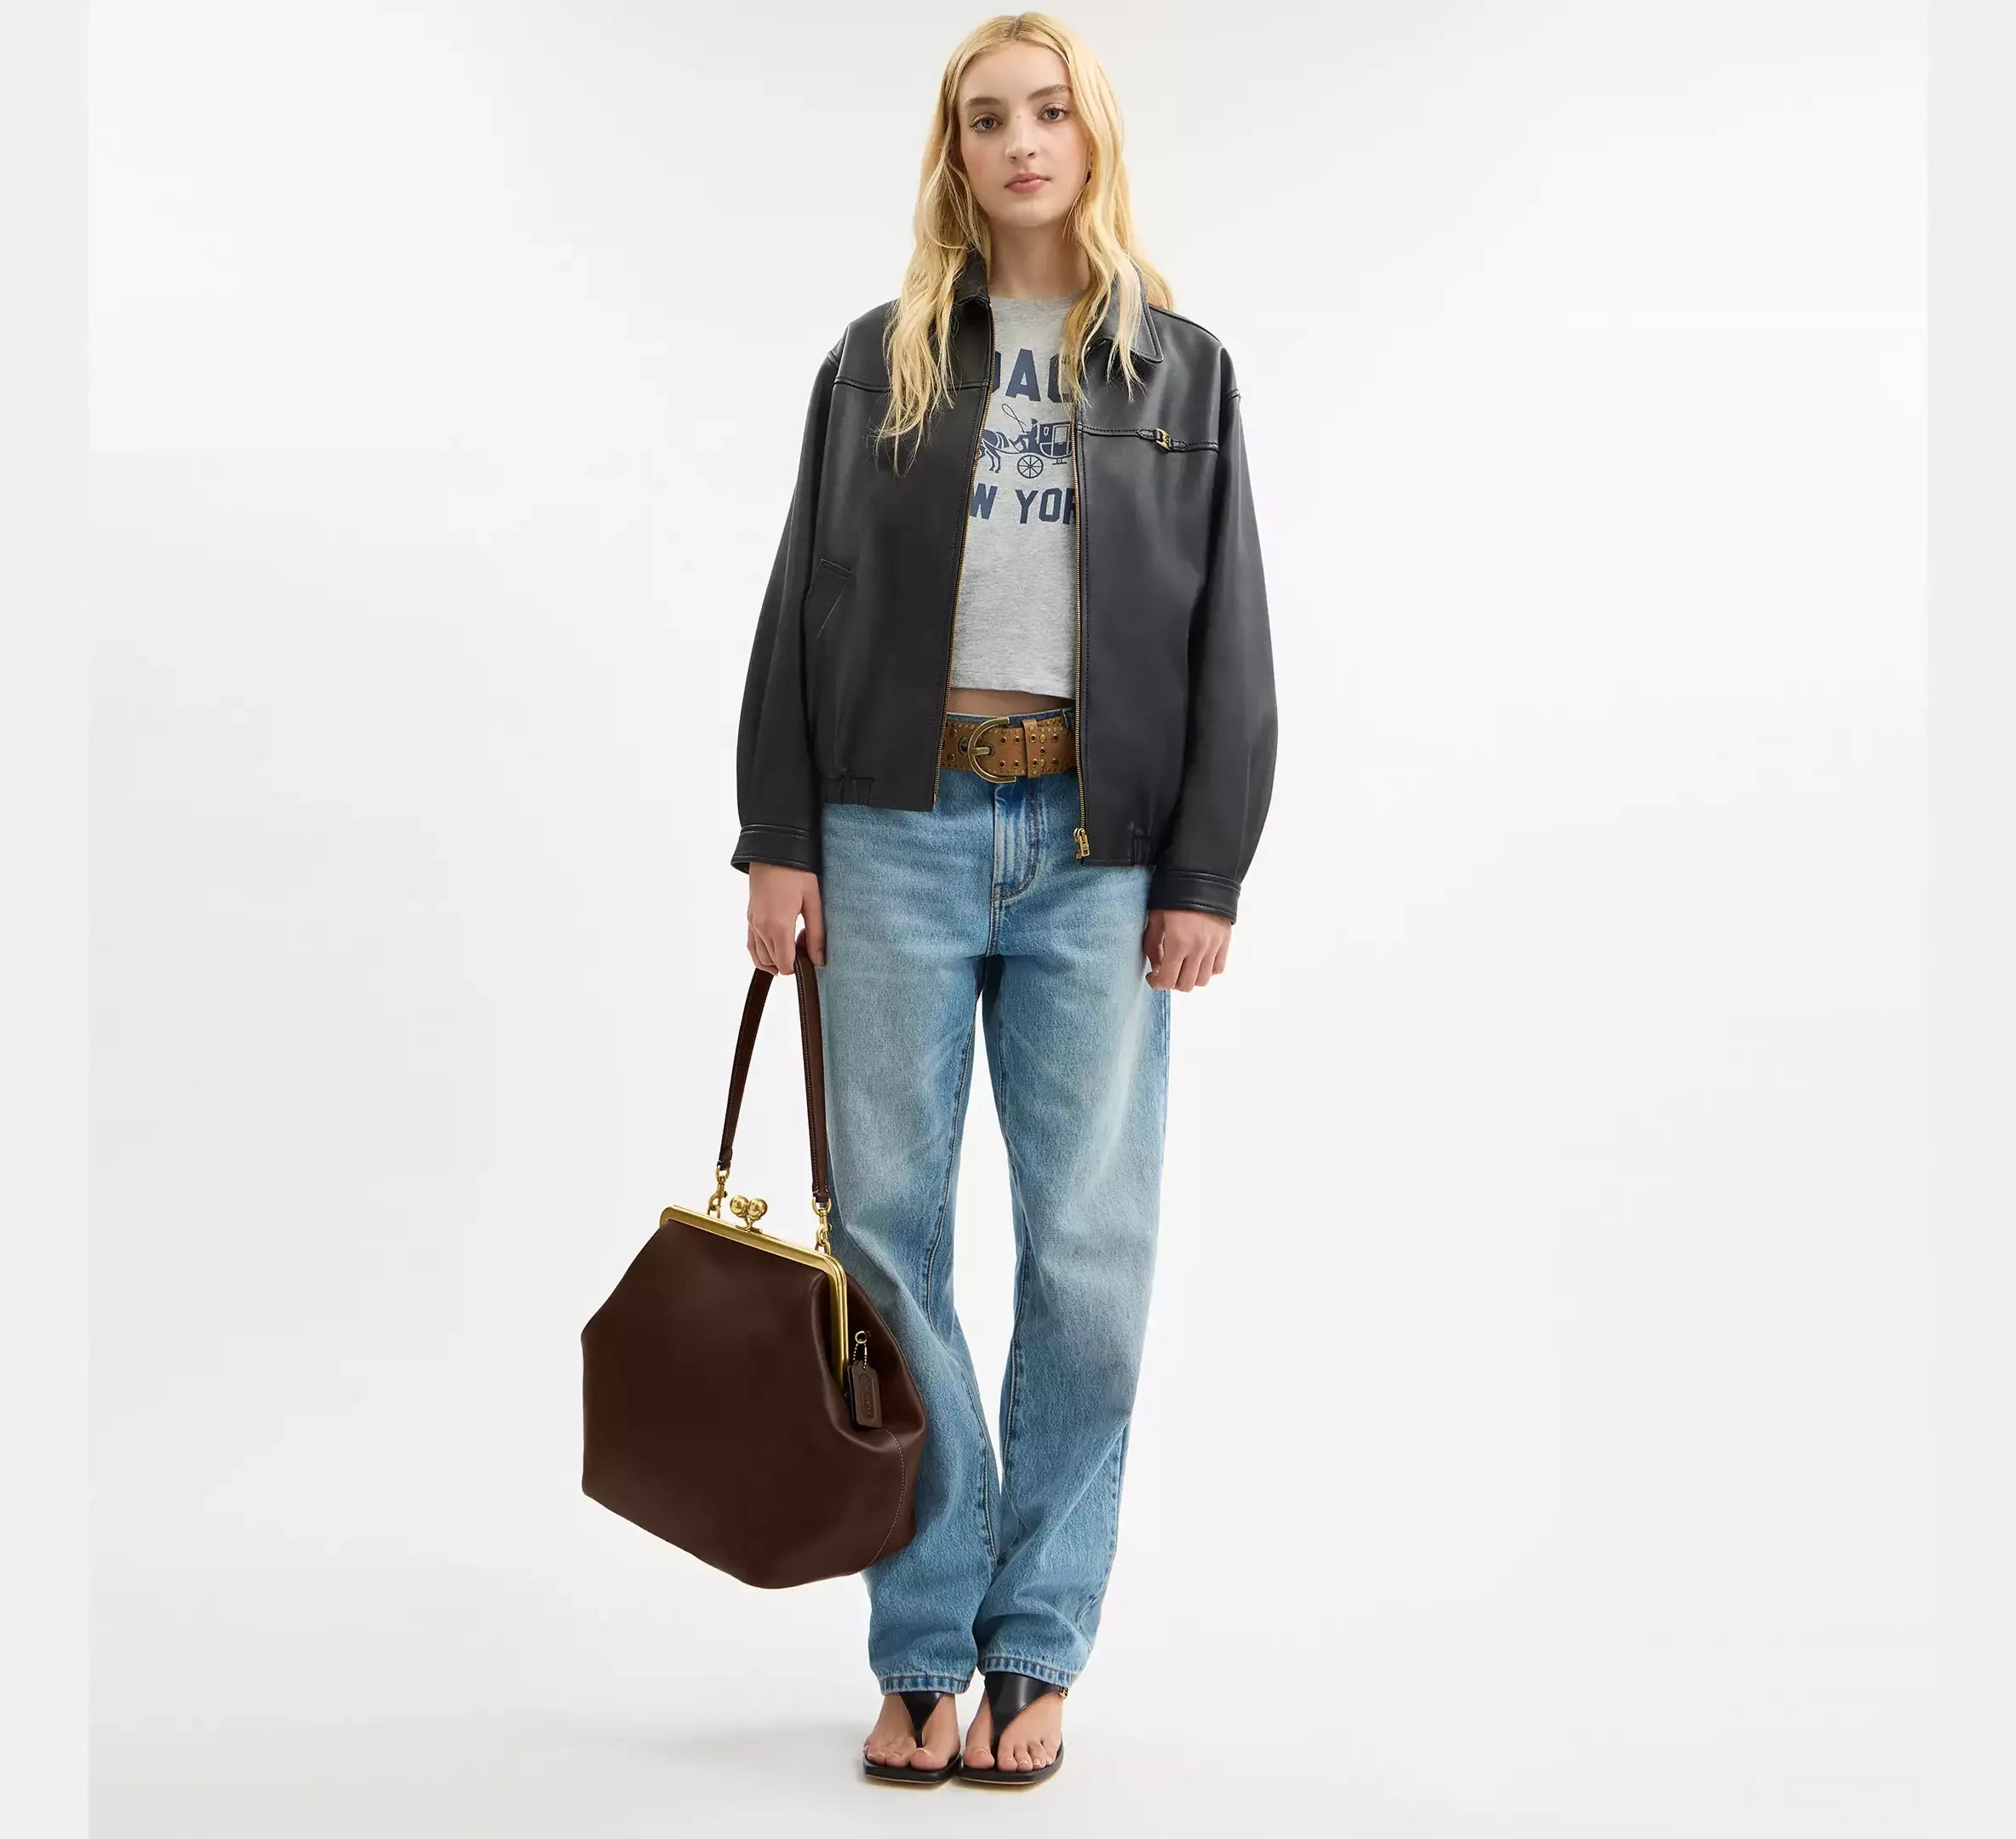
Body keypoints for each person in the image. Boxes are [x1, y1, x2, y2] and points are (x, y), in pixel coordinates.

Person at [728, 11, 1277, 1788]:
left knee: (1090, 1258)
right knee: (888, 1246)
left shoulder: (1181, 370)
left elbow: (1231, 637)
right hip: (891, 830)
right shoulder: (874, 358)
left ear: (1090, 134)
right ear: (952, 154)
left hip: (1098, 853)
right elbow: (798, 605)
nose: (1020, 141)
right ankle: (919, 1643)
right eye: (985, 119)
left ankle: (1035, 1640)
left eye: (1047, 111)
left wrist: (1202, 870)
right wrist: (778, 839)